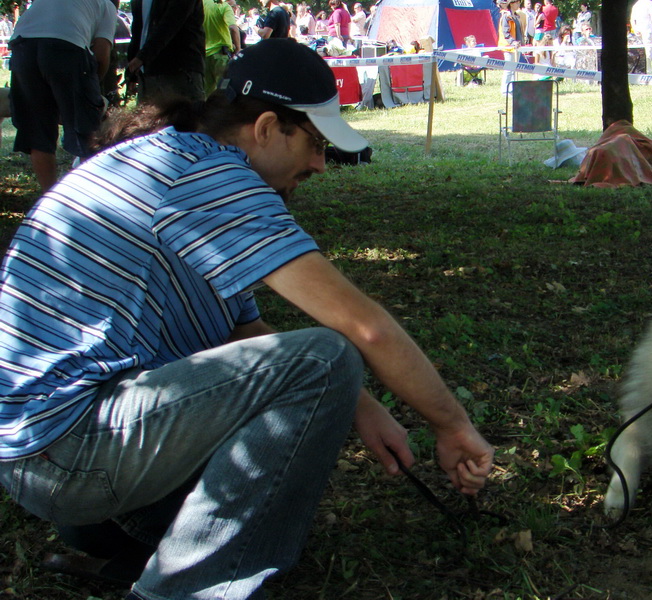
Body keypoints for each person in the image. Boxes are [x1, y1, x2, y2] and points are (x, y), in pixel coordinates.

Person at [0, 38, 494, 600]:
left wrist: (362, 406)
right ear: (265, 128)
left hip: (39, 453)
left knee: (314, 377)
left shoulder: (169, 159)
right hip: (72, 452)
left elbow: (241, 332)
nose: (319, 164)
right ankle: (182, 588)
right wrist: (451, 425)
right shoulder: (212, 178)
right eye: (314, 143)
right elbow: (364, 326)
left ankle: (131, 528)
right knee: (325, 356)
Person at [7, 0, 116, 192]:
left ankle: (49, 199)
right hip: (66, 48)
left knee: (38, 132)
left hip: (22, 46)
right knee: (86, 131)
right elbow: (101, 55)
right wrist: (92, 90)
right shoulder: (106, 5)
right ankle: (87, 198)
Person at [127, 0, 205, 103]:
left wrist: (142, 57)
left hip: (180, 71)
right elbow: (138, 29)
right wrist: (131, 73)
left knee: (187, 117)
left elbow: (172, 22)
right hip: (147, 73)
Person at [202, 0, 242, 97]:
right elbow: (233, 28)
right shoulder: (224, 6)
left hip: (204, 56)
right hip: (221, 57)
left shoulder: (201, 4)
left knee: (207, 92)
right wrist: (238, 49)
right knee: (224, 90)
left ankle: (208, 111)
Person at [631, 0, 652, 74]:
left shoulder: (636, 5)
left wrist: (635, 29)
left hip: (638, 30)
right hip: (647, 30)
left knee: (640, 51)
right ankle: (648, 70)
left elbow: (632, 19)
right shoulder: (649, 3)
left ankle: (639, 69)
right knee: (648, 50)